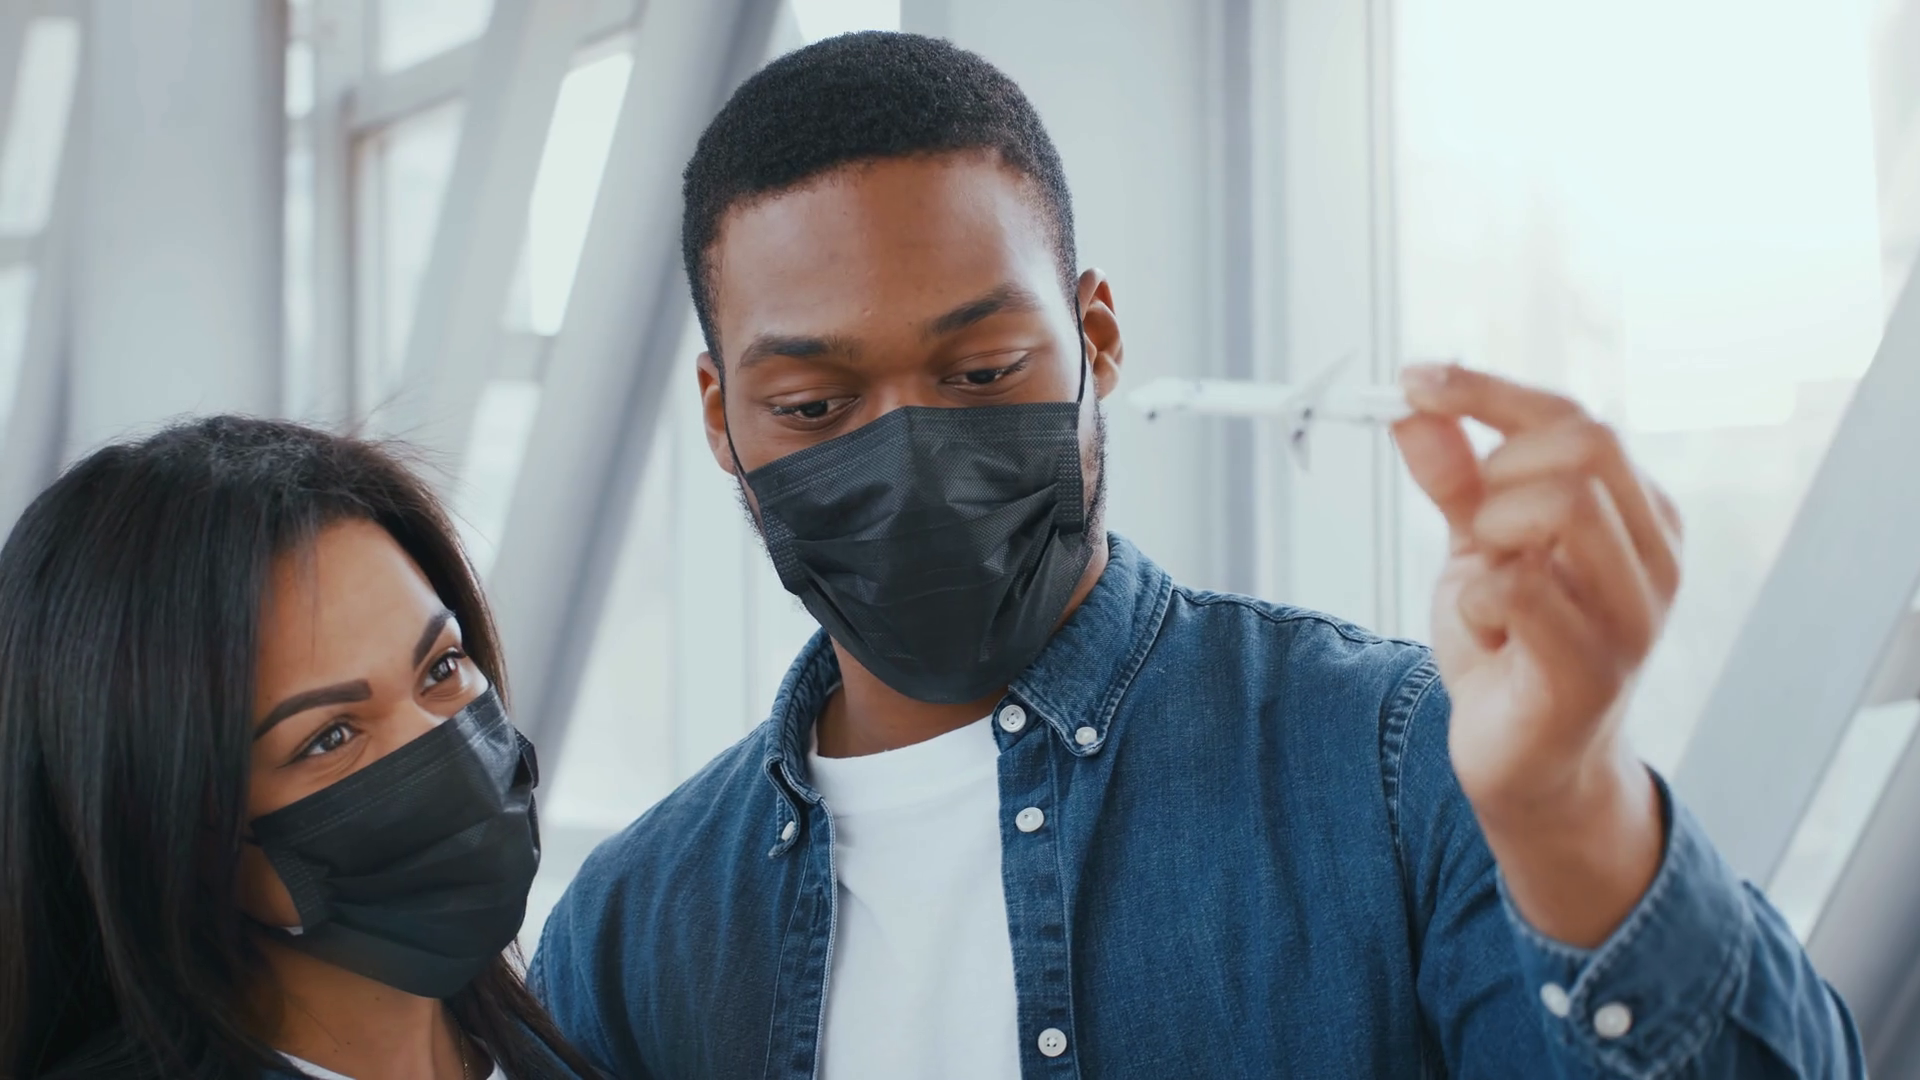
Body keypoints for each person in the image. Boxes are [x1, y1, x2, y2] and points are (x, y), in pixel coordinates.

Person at [531, 31, 1862, 1078]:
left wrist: (1573, 812)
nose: (913, 456)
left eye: (984, 372)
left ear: (1098, 338)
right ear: (721, 416)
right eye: (815, 407)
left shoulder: (1406, 772)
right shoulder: (630, 932)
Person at [0, 418, 602, 1079]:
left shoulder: (563, 1051)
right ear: (174, 834)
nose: (445, 753)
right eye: (330, 736)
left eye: (440, 667)